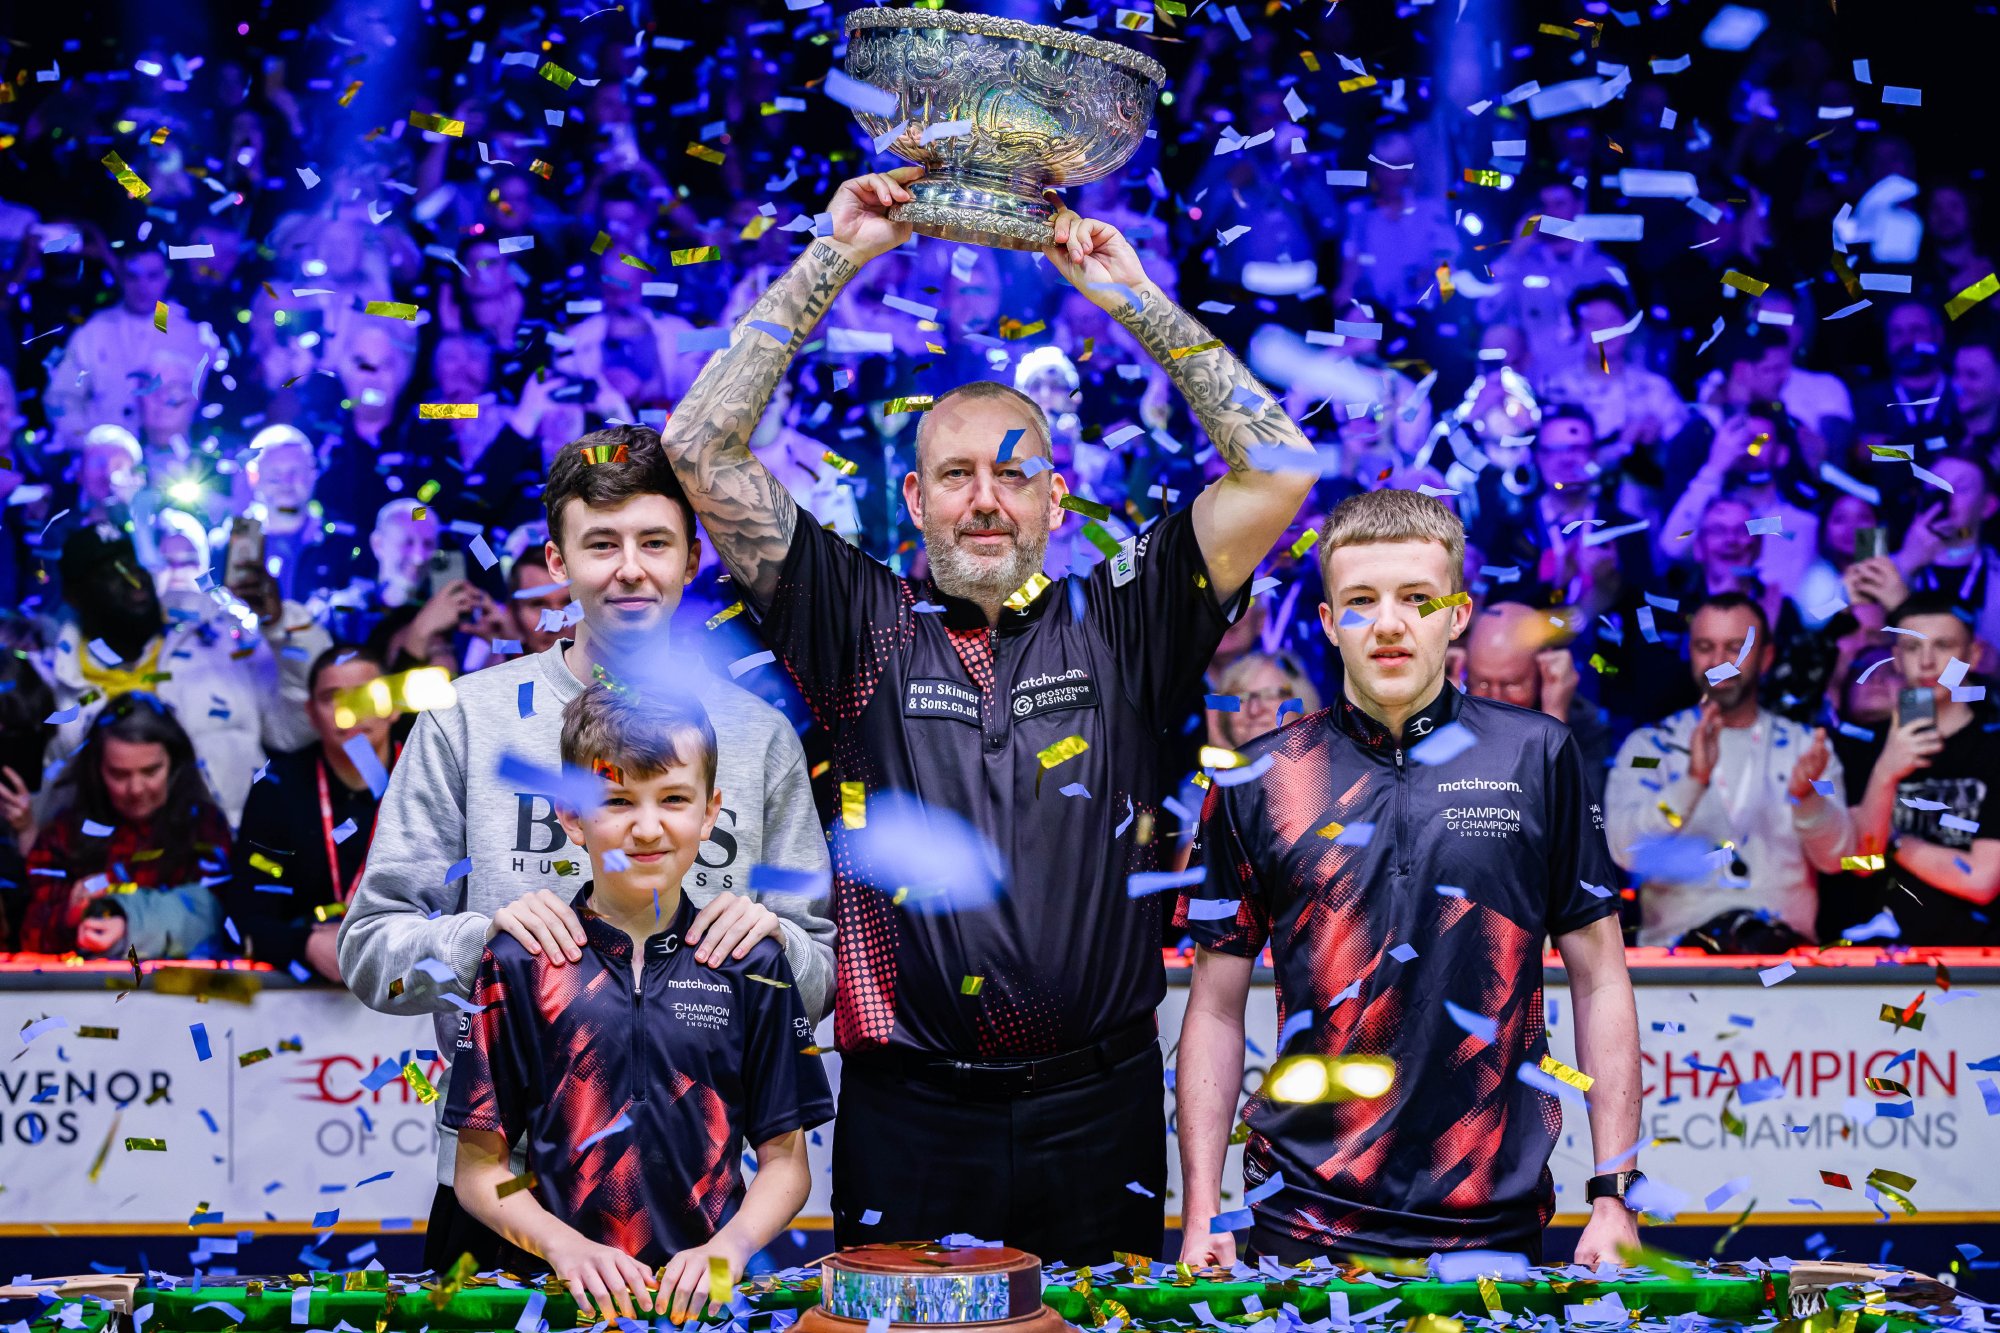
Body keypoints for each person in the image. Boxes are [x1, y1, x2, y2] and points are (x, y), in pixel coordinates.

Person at [659, 167, 1316, 1261]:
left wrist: (1133, 298)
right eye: (954, 474)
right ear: (910, 499)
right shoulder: (853, 616)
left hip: (1095, 1102)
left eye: (1013, 475)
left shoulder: (1124, 617)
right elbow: (697, 449)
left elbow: (1281, 466)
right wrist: (834, 257)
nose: (984, 498)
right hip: (909, 1108)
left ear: (1057, 499)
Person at [339, 427, 834, 1274]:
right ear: (557, 559)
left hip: (701, 1216)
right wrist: (481, 940)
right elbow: (367, 950)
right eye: (600, 543)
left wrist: (773, 945)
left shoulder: (755, 738)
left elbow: (818, 973)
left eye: (653, 541)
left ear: (691, 557)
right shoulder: (468, 718)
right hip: (505, 1202)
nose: (629, 569)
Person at [1174, 489, 1641, 1265]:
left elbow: (1601, 979)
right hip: (1304, 1222)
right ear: (1328, 623)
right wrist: (1202, 1214)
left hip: (1494, 1227)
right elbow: (1216, 1008)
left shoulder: (1538, 756)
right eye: (1360, 600)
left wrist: (1614, 1193)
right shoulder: (1259, 778)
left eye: (1416, 599)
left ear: (1457, 613)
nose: (1389, 622)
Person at [444, 686, 832, 1320]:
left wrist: (729, 1250)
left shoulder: (752, 961)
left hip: (711, 1307)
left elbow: (786, 1167)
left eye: (674, 799)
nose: (647, 827)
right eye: (616, 801)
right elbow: (479, 1172)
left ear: (711, 813)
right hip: (557, 1301)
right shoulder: (519, 962)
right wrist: (562, 1246)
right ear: (570, 818)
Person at [1603, 593, 1852, 947]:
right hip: (1675, 965)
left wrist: (1808, 801)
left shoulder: (1806, 747)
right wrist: (1692, 784)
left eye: (1736, 648)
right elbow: (1626, 850)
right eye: (1706, 646)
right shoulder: (1650, 748)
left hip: (1787, 963)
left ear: (1766, 657)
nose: (1719, 662)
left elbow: (1838, 859)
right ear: (1690, 653)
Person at [47, 527, 329, 827]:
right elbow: (54, 808)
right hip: (124, 865)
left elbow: (296, 729)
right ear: (73, 596)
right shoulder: (57, 685)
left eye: (132, 564)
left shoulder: (220, 641)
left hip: (238, 852)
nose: (132, 580)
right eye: (108, 572)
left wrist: (281, 626)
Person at [224, 644, 395, 981]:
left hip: (413, 981)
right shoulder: (277, 790)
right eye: (332, 697)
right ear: (311, 713)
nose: (349, 711)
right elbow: (244, 915)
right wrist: (303, 945)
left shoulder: (428, 778)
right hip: (303, 991)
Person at [19, 693, 231, 958]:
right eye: (119, 774)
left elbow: (221, 919)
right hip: (85, 993)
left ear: (174, 765)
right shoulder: (65, 833)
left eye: (151, 771)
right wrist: (71, 915)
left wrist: (130, 920)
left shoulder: (204, 827)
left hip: (183, 989)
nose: (136, 789)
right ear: (97, 771)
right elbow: (29, 937)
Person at [1847, 592, 2000, 944]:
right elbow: (1856, 864)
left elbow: (1982, 882)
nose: (1928, 663)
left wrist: (1895, 843)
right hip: (1872, 957)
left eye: (1943, 646)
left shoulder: (1993, 750)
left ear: (1973, 655)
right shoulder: (1860, 746)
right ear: (1897, 659)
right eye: (1913, 649)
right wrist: (1886, 772)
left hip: (1977, 959)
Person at [44, 244, 217, 446]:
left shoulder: (189, 335)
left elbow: (196, 403)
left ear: (166, 277)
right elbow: (61, 396)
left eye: (152, 276)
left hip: (168, 458)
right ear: (121, 278)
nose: (142, 287)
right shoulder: (95, 330)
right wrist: (88, 443)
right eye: (133, 276)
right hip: (104, 456)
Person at [1461, 602, 1616, 801]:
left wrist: (1554, 719)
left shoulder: (1585, 726)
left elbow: (1574, 823)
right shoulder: (1448, 713)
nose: (1496, 699)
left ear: (1543, 669)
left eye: (1511, 684)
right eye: (1481, 683)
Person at [1206, 650, 1320, 751]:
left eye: (1271, 695)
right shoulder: (1199, 774)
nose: (1254, 710)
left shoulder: (1330, 767)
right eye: (1241, 699)